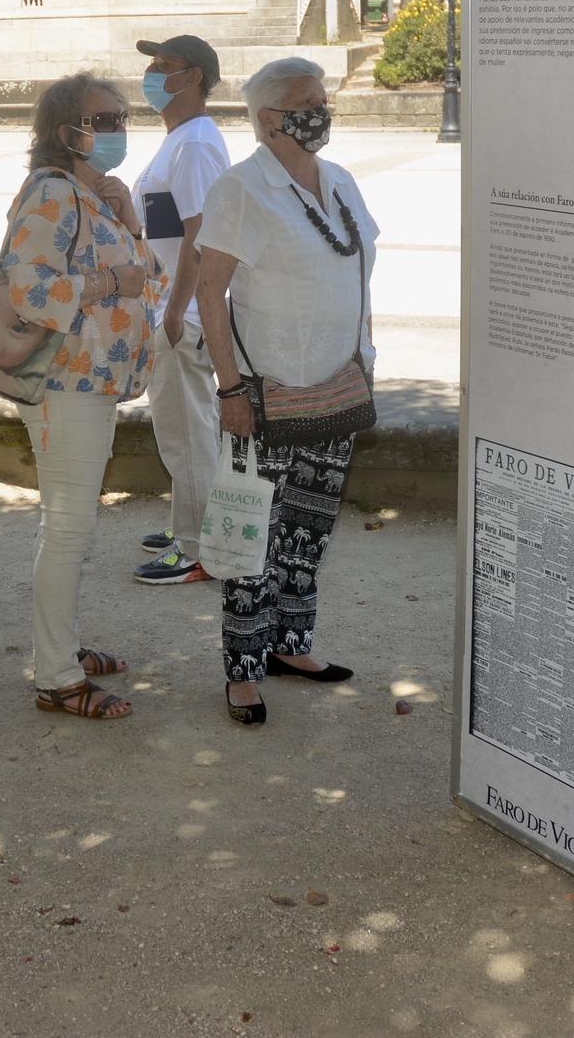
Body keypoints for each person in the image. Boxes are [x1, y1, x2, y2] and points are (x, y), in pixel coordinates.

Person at [195, 57, 378, 726]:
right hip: (265, 395)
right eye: (307, 100)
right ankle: (242, 668)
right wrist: (230, 389)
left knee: (307, 530)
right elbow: (208, 293)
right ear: (269, 119)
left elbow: (359, 276)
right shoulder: (242, 189)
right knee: (253, 534)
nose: (321, 109)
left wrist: (366, 357)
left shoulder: (341, 183)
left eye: (323, 97)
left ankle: (290, 646)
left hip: (337, 388)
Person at [1, 73, 165, 720]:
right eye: (104, 119)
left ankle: (61, 647)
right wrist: (111, 277)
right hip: (63, 386)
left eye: (122, 116)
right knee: (68, 527)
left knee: (69, 526)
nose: (118, 128)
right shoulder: (51, 193)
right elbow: (27, 291)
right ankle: (57, 677)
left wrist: (128, 222)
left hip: (87, 383)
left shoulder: (91, 196)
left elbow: (146, 281)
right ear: (67, 131)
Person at [130, 35, 231, 585]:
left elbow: (202, 234)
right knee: (184, 429)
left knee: (186, 431)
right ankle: (189, 524)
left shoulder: (193, 145)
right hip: (172, 309)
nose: (150, 73)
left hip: (181, 318)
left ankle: (198, 550)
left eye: (162, 65)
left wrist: (176, 311)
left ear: (192, 77)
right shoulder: (181, 139)